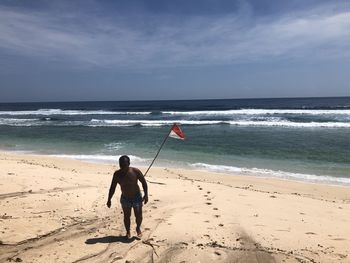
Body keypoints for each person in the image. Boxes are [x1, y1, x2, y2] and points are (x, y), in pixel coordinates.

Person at [107, 155, 148, 239]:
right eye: (121, 164)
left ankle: (138, 228)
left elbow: (144, 182)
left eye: (124, 164)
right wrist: (109, 199)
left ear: (129, 163)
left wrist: (146, 194)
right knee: (126, 216)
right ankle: (128, 231)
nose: (122, 167)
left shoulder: (135, 171)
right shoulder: (117, 174)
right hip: (125, 198)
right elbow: (112, 187)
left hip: (137, 197)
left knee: (139, 215)